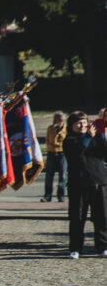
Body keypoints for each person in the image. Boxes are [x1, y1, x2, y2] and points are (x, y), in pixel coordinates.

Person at [62, 111, 107, 258]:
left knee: (102, 217)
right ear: (72, 126)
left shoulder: (94, 138)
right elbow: (76, 152)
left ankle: (102, 247)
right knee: (77, 218)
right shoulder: (69, 140)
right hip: (78, 185)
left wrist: (102, 136)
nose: (82, 125)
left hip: (98, 182)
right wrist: (88, 136)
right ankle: (75, 248)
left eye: (84, 122)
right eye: (78, 123)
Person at [42, 111, 66, 203]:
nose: (59, 121)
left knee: (63, 176)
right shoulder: (50, 128)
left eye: (60, 120)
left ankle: (61, 195)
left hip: (62, 154)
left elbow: (66, 140)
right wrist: (51, 149)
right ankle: (47, 196)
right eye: (57, 119)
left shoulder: (66, 129)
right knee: (49, 176)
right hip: (52, 153)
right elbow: (47, 141)